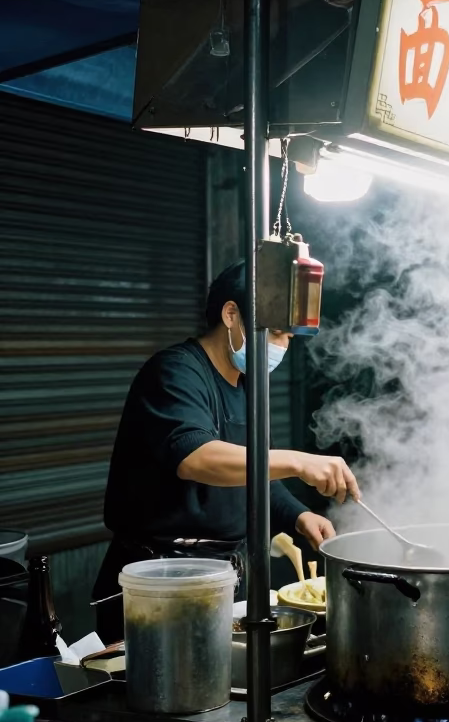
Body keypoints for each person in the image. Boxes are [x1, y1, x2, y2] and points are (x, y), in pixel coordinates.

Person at [93, 261, 361, 642]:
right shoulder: (174, 373)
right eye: (277, 333)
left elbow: (255, 473)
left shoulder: (248, 388)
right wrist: (300, 462)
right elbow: (195, 458)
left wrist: (299, 516)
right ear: (231, 314)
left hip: (217, 580)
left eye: (287, 337)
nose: (282, 346)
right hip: (155, 584)